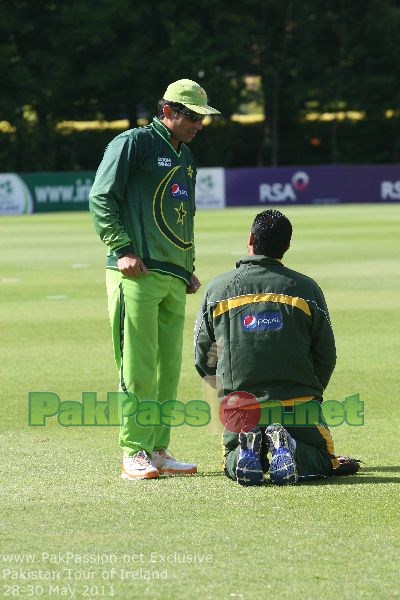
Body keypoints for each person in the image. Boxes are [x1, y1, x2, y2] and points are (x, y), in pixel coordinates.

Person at [89, 79, 221, 480]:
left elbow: (184, 216)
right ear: (168, 111)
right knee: (139, 367)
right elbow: (101, 196)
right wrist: (123, 248)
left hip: (172, 276)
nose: (199, 123)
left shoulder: (187, 156)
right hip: (136, 271)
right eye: (192, 116)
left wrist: (187, 264)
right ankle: (133, 450)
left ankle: (158, 450)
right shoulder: (133, 143)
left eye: (203, 117)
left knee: (167, 370)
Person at [194, 209, 360, 486]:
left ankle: (249, 449)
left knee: (233, 460)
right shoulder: (306, 289)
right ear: (287, 247)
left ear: (251, 239)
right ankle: (290, 448)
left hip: (241, 409)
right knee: (322, 458)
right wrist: (310, 391)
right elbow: (326, 355)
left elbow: (202, 357)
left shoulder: (217, 289)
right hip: (298, 406)